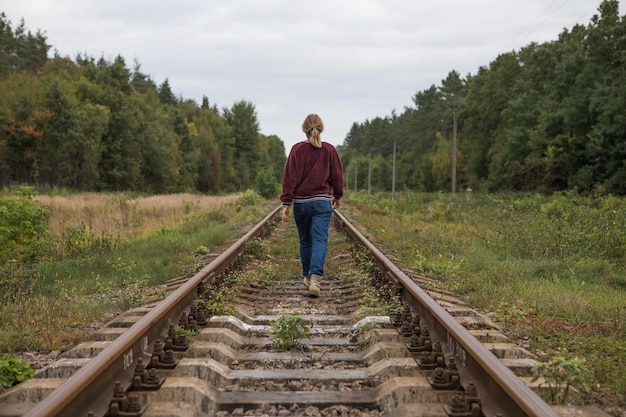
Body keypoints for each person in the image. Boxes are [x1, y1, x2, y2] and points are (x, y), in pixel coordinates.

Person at [280, 114, 344, 297]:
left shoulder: (296, 150)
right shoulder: (329, 150)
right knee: (319, 240)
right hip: (322, 202)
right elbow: (337, 177)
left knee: (306, 241)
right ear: (320, 128)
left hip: (301, 203)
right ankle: (315, 278)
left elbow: (289, 178)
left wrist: (286, 202)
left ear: (304, 129)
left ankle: (308, 277)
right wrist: (338, 196)